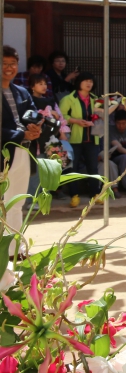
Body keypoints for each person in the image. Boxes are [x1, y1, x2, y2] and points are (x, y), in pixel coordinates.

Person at [2, 46, 41, 242]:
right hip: (4, 152)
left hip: (23, 151)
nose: (9, 68)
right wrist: (20, 134)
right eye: (4, 64)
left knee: (17, 201)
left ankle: (12, 250)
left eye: (13, 64)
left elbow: (33, 115)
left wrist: (36, 128)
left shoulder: (22, 91)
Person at [58, 72, 105, 208]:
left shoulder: (97, 100)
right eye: (85, 81)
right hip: (73, 138)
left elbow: (101, 118)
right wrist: (75, 121)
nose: (89, 83)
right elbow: (61, 116)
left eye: (91, 81)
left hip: (93, 138)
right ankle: (74, 195)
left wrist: (97, 119)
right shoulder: (69, 98)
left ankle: (95, 194)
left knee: (93, 167)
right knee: (72, 167)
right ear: (79, 82)